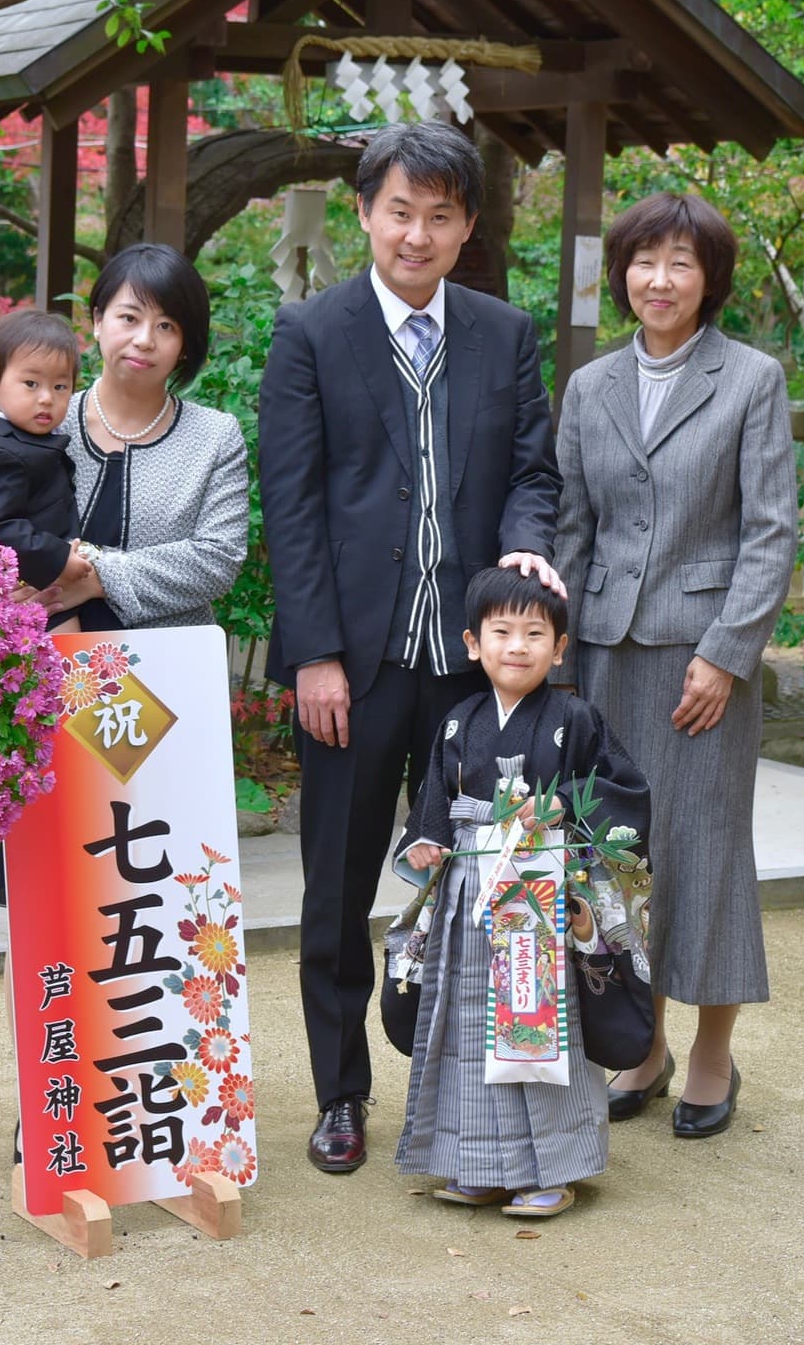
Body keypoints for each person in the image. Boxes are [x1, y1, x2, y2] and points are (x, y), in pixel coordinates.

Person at [258, 122, 563, 1174]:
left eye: (440, 216)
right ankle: (341, 1095)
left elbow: (533, 473)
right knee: (338, 889)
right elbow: (291, 508)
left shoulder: (506, 333)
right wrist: (313, 656)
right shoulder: (312, 333)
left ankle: (491, 1091)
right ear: (366, 213)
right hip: (357, 663)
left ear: (467, 225)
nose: (417, 235)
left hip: (478, 671)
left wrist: (524, 563)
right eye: (400, 211)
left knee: (496, 874)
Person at [551, 193, 797, 1138]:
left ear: (711, 279)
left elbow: (769, 531)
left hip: (702, 664)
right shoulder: (591, 385)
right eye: (645, 259)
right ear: (621, 271)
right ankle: (641, 1045)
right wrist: (558, 657)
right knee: (617, 857)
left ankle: (709, 1053)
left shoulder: (751, 379)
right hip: (603, 654)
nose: (660, 278)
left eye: (682, 262)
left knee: (704, 849)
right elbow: (573, 526)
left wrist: (727, 654)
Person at [393, 567, 649, 1219]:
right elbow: (431, 808)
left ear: (559, 648)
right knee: (470, 1027)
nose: (517, 646)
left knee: (537, 1031)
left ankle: (552, 1170)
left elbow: (622, 793)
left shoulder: (575, 718)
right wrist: (425, 846)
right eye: (501, 632)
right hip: (468, 891)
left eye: (535, 633)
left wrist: (561, 806)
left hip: (537, 884)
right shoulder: (457, 724)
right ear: (473, 644)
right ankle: (476, 1164)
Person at [36, 242, 250, 632]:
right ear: (99, 320)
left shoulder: (214, 437)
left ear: (185, 346)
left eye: (167, 326)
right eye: (130, 318)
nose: (145, 339)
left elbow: (218, 560)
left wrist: (94, 576)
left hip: (166, 673)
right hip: (41, 667)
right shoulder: (46, 421)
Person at [0, 307, 105, 634]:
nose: (46, 399)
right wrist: (57, 559)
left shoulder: (5, 432)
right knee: (65, 672)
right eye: (31, 383)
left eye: (60, 387)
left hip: (35, 580)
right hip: (28, 591)